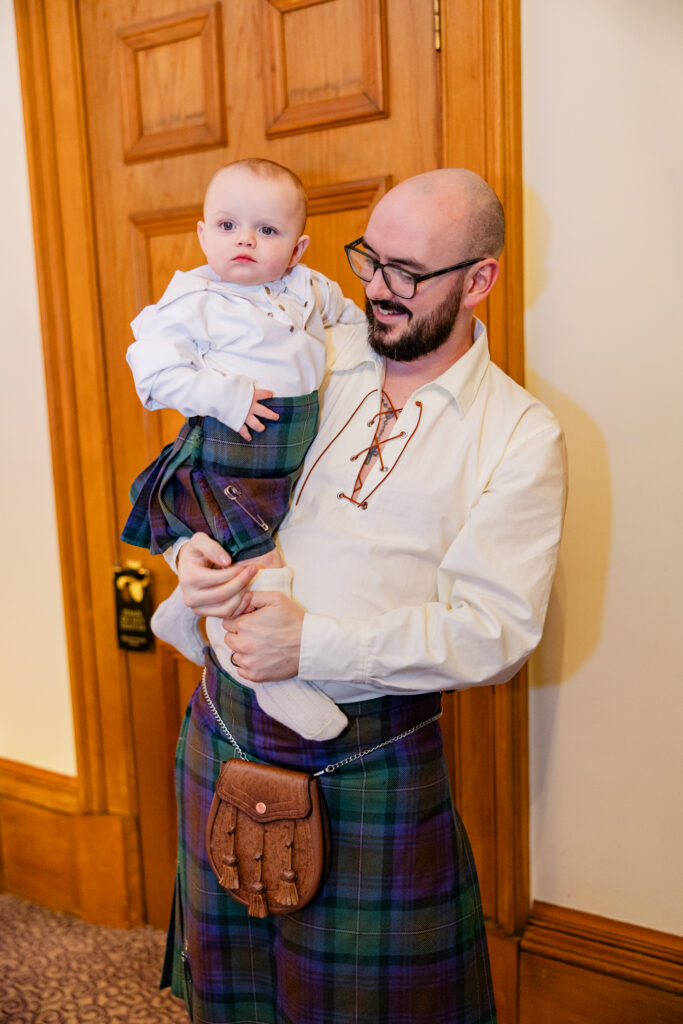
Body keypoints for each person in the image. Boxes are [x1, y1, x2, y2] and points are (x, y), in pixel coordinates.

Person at [163, 168, 567, 1024]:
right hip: (223, 726)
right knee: (228, 1004)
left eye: (407, 273)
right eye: (368, 262)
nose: (378, 291)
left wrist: (310, 648)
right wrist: (187, 558)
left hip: (368, 764)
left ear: (479, 278)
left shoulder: (520, 435)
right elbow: (212, 480)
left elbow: (495, 631)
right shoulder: (311, 353)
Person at [121, 158, 364, 741]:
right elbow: (150, 373)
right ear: (203, 234)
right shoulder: (195, 300)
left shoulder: (310, 287)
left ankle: (179, 613)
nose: (245, 241)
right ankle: (269, 681)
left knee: (248, 551)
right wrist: (224, 395)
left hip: (285, 458)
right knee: (261, 565)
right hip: (231, 453)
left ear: (299, 247)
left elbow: (351, 326)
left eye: (267, 230)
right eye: (227, 226)